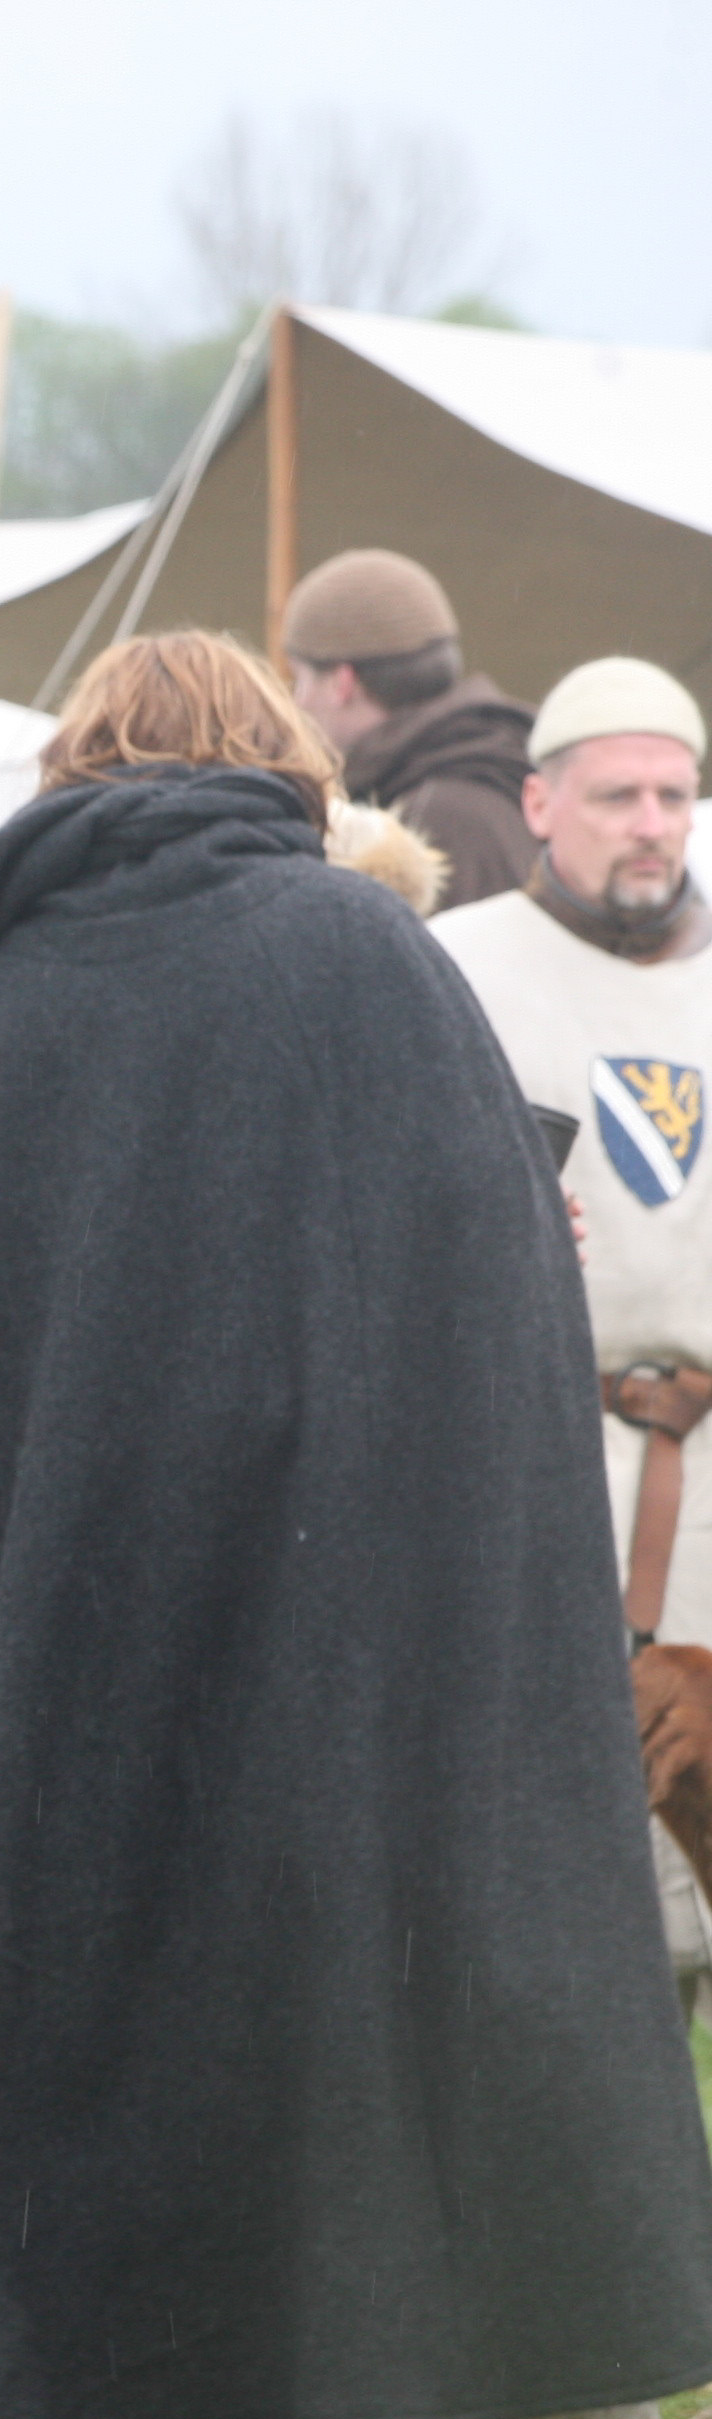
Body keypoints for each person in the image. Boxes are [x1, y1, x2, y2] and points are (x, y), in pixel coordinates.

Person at [0, 632, 712, 2419]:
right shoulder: (363, 951)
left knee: (103, 1954)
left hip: (70, 1595)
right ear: (285, 766)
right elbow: (492, 1269)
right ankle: (601, 2406)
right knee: (485, 1910)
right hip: (357, 1570)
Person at [435, 658, 712, 2007]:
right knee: (539, 1841)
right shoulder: (454, 964)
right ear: (540, 803)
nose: (651, 823)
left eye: (674, 793)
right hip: (531, 1454)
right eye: (617, 796)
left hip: (710, 1462)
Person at [280, 548, 537, 909]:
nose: (298, 702)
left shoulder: (438, 819)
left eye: (300, 680)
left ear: (342, 683)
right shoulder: (496, 763)